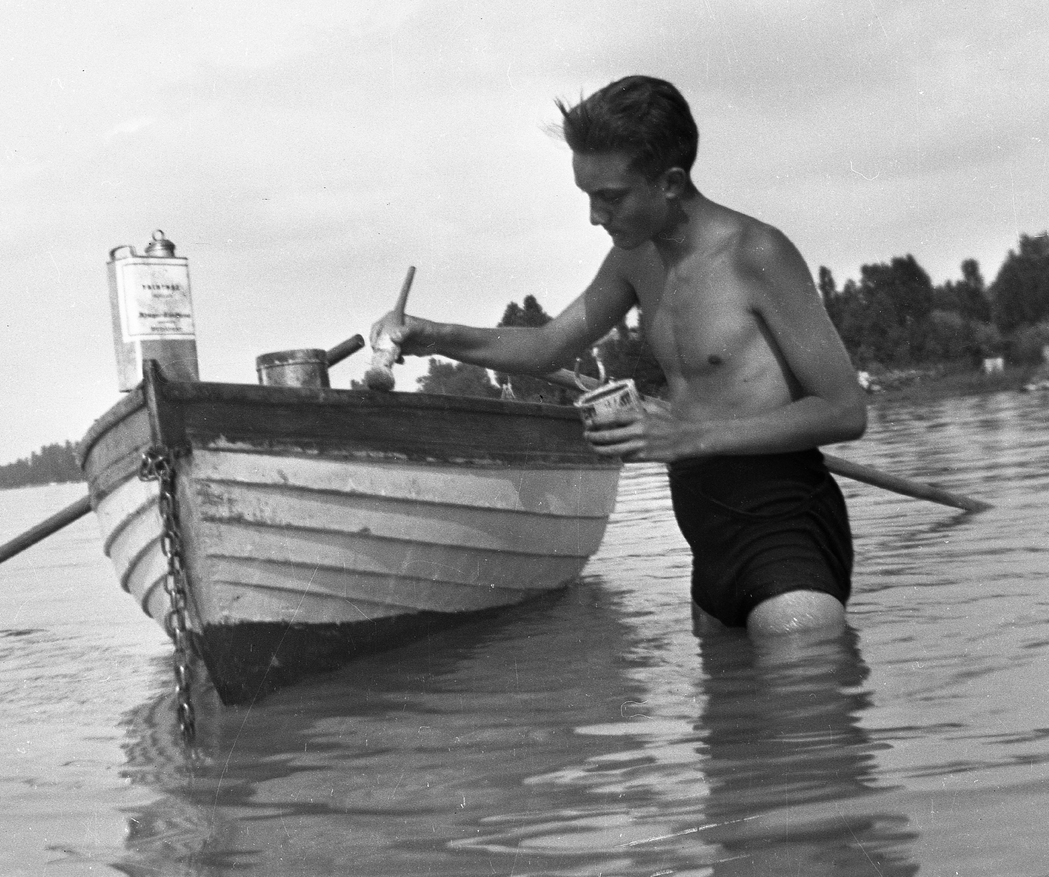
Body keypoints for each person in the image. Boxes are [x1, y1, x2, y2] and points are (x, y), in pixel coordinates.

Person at [371, 75, 867, 637]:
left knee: (811, 717)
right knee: (730, 721)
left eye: (610, 197)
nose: (594, 216)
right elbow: (547, 346)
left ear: (671, 183)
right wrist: (430, 334)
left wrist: (687, 437)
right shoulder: (635, 259)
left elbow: (844, 410)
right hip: (709, 544)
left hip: (784, 532)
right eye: (587, 196)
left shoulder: (756, 253)